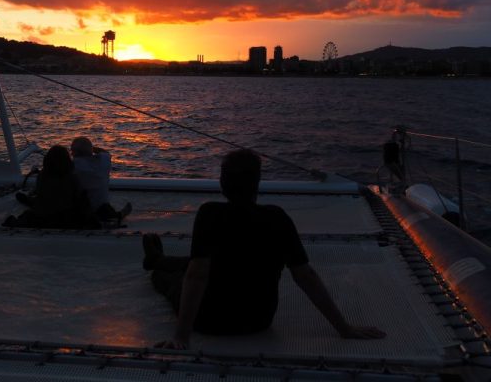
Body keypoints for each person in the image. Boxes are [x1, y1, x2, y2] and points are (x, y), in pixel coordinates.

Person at [144, 149, 385, 349]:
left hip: (208, 320)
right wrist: (343, 328)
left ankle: (156, 262)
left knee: (170, 278)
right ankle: (159, 257)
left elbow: (197, 275)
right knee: (196, 262)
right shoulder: (277, 219)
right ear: (257, 183)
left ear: (222, 183)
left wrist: (181, 337)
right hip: (258, 320)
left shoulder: (210, 214)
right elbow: (305, 276)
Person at [3, 145, 97, 229]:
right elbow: (77, 198)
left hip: (44, 218)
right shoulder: (72, 177)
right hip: (66, 218)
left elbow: (43, 198)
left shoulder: (43, 176)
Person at [70, 136, 131, 223]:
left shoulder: (73, 165)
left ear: (74, 152)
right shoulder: (103, 162)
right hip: (101, 209)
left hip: (81, 209)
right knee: (104, 206)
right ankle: (116, 215)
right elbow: (105, 153)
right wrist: (90, 148)